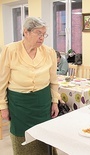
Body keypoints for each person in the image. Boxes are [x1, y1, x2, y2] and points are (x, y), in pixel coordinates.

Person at [0, 17, 60, 155]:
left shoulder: (49, 52)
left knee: (44, 137)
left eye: (44, 34)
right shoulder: (10, 50)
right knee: (22, 138)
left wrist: (55, 101)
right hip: (19, 104)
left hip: (42, 103)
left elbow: (53, 81)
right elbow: (1, 82)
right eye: (38, 33)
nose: (42, 37)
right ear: (26, 32)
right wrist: (3, 107)